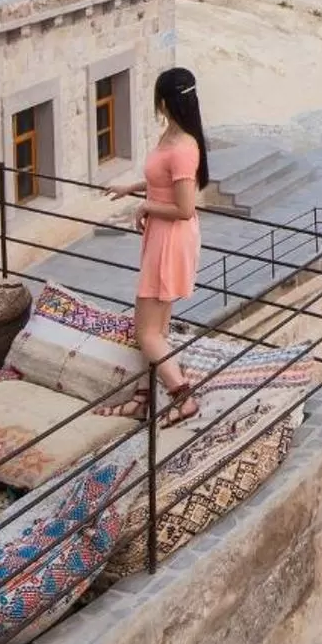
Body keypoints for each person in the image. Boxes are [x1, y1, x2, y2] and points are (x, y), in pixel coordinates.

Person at [100, 67, 208, 424]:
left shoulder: (183, 148)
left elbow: (184, 208)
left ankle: (184, 399)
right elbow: (164, 186)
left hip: (170, 240)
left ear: (163, 101)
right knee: (156, 330)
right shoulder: (174, 137)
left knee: (145, 332)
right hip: (161, 237)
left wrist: (145, 206)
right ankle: (143, 398)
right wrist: (132, 189)